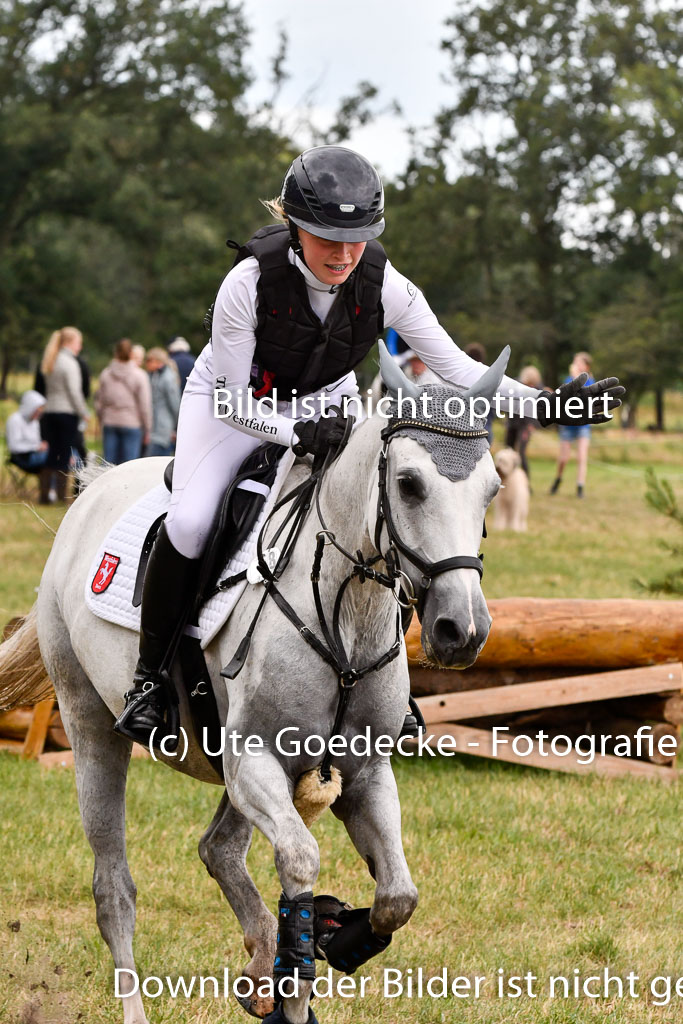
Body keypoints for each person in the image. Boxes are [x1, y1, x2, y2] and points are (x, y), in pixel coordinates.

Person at [114, 146, 624, 745]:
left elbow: (458, 368)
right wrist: (295, 432)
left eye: (358, 237)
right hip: (233, 406)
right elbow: (228, 401)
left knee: (378, 515)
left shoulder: (388, 286)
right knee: (195, 520)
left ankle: (385, 686)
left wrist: (550, 405)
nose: (344, 253)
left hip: (329, 402)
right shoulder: (246, 284)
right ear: (294, 226)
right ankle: (149, 678)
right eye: (328, 237)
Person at [39, 326, 90, 501]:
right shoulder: (70, 363)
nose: (79, 347)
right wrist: (84, 412)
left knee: (52, 453)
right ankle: (61, 496)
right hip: (66, 413)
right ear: (70, 342)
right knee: (65, 453)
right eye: (78, 343)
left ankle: (44, 495)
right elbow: (74, 392)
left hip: (50, 412)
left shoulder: (50, 359)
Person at [95, 339, 152, 464]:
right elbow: (145, 405)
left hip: (110, 422)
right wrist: (148, 428)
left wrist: (101, 419)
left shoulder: (106, 374)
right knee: (129, 466)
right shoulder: (140, 375)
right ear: (131, 354)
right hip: (131, 423)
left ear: (115, 353)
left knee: (108, 464)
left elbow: (100, 401)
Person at [549, 352, 596, 498]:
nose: (576, 364)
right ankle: (558, 479)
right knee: (564, 458)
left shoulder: (591, 382)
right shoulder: (568, 380)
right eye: (575, 361)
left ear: (586, 366)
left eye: (579, 362)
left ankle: (580, 487)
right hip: (567, 425)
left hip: (583, 425)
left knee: (582, 457)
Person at [5, 391, 51, 498]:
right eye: (37, 411)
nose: (38, 414)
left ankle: (49, 492)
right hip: (21, 457)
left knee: (57, 456)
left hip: (36, 456)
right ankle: (48, 493)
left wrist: (41, 445)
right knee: (52, 457)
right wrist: (37, 447)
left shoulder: (34, 422)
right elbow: (14, 446)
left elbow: (36, 441)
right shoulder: (15, 420)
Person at [504, 365, 543, 478]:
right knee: (508, 450)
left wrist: (531, 425)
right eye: (529, 384)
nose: (531, 386)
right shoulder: (514, 385)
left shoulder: (537, 388)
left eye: (533, 384)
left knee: (521, 453)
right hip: (513, 422)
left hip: (526, 425)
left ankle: (525, 482)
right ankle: (507, 479)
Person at [144, 348, 181, 456]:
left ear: (158, 361)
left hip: (162, 430)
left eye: (149, 360)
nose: (146, 364)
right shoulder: (155, 375)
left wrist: (175, 427)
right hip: (155, 429)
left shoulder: (168, 378)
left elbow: (175, 404)